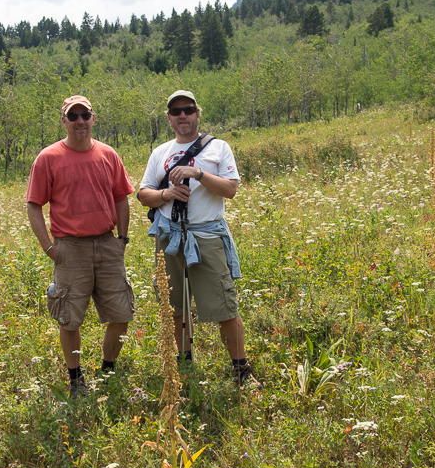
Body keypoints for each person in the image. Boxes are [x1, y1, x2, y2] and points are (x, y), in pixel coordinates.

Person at [138, 90, 260, 387]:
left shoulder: (218, 148)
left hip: (206, 236)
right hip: (170, 237)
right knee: (174, 306)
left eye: (188, 110)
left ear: (197, 113)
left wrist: (199, 173)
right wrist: (166, 194)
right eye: (176, 111)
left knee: (224, 306)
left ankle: (241, 371)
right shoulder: (160, 153)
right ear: (168, 118)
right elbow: (144, 194)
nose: (183, 116)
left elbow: (230, 189)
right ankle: (184, 370)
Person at [26, 94, 135, 398]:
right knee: (69, 317)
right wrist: (49, 248)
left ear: (93, 118)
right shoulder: (48, 158)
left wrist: (122, 239)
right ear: (64, 122)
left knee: (121, 313)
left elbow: (121, 196)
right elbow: (33, 205)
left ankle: (108, 370)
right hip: (69, 249)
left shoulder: (107, 154)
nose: (79, 122)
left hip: (107, 244)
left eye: (84, 115)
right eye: (72, 117)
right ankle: (76, 380)